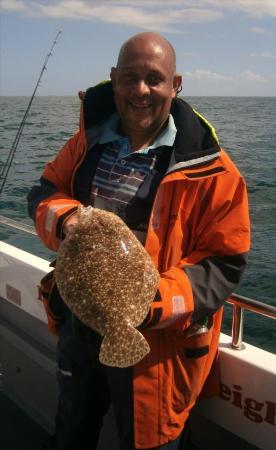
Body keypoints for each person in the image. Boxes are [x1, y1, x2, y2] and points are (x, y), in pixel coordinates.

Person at [28, 32, 250, 450]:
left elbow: (224, 263)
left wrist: (150, 305)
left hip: (158, 344)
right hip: (80, 328)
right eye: (130, 78)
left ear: (176, 84)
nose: (141, 90)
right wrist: (68, 218)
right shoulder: (83, 145)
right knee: (72, 429)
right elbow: (43, 193)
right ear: (113, 79)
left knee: (147, 441)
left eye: (154, 78)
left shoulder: (215, 171)